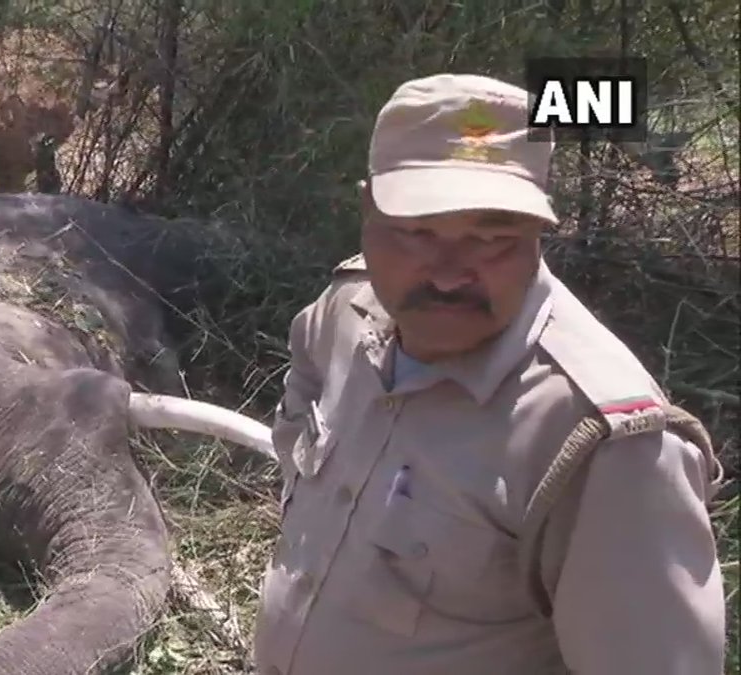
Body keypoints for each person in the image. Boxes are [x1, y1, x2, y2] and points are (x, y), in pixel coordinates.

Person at [252, 73, 727, 674]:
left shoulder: (605, 448)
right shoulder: (346, 311)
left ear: (539, 234)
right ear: (366, 208)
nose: (449, 274)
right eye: (418, 234)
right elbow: (303, 404)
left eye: (493, 239)